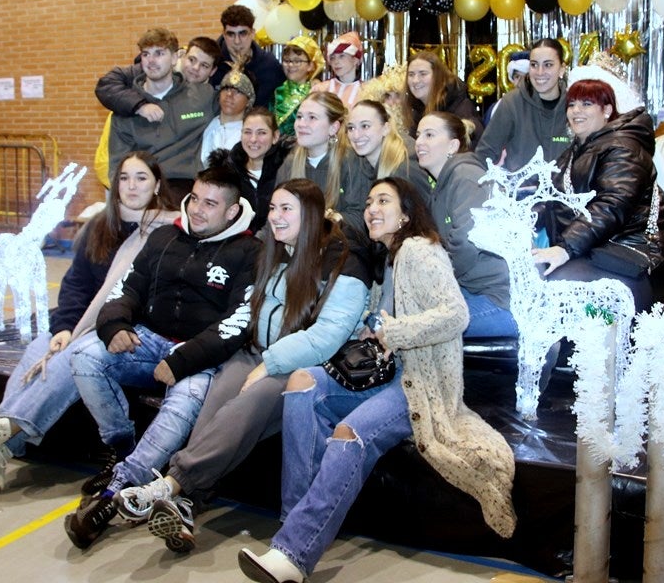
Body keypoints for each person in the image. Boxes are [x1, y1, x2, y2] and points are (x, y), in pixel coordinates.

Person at [237, 177, 517, 583]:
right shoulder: (390, 257)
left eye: (383, 201)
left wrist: (395, 332)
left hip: (418, 383)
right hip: (383, 375)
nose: (371, 209)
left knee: (350, 433)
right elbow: (388, 316)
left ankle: (293, 555)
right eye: (369, 201)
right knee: (302, 383)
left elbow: (456, 315)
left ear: (406, 214)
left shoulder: (420, 250)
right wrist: (373, 327)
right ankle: (293, 526)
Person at [122, 179, 371, 555]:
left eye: (286, 209)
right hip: (255, 353)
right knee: (213, 407)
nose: (276, 217)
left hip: (300, 367)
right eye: (272, 208)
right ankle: (185, 505)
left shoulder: (345, 262)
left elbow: (326, 338)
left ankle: (170, 485)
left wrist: (269, 364)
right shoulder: (275, 250)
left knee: (245, 407)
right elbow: (251, 311)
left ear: (311, 214)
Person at [0, 152, 176, 491]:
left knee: (72, 357)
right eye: (124, 178)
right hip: (85, 322)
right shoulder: (100, 226)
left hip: (127, 327)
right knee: (41, 348)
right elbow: (76, 284)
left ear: (156, 185)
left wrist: (104, 326)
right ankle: (1, 448)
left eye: (141, 178)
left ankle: (1, 431)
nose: (131, 186)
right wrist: (65, 327)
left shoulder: (169, 231)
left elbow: (155, 297)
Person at [62, 165, 262, 547]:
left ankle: (115, 492)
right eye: (195, 198)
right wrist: (115, 326)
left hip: (200, 356)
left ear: (233, 211)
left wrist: (182, 361)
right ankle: (121, 445)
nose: (197, 209)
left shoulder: (251, 252)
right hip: (149, 339)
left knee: (183, 403)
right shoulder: (164, 236)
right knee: (84, 355)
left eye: (210, 204)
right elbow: (126, 288)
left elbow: (237, 324)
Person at [530, 64, 664, 313]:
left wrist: (565, 248)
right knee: (529, 272)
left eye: (587, 104)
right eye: (571, 104)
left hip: (637, 252)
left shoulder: (624, 147)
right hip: (597, 247)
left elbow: (612, 205)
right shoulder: (580, 148)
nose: (576, 111)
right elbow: (547, 192)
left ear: (607, 110)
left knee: (558, 287)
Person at [414, 111, 514, 337]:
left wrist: (439, 278)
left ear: (453, 145)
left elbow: (466, 241)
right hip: (473, 290)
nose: (419, 142)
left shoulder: (466, 176)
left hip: (501, 299)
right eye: (418, 135)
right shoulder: (442, 186)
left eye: (429, 135)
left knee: (417, 332)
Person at [97, 26, 218, 202]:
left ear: (175, 58)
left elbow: (237, 107)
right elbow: (118, 167)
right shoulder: (126, 108)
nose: (151, 60)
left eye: (159, 53)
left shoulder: (203, 96)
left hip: (185, 190)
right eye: (146, 54)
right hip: (143, 191)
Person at [333, 100, 428, 245]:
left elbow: (420, 224)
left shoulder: (404, 170)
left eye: (365, 126)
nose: (356, 135)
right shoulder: (361, 166)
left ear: (386, 128)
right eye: (351, 128)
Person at [476, 38, 569, 171]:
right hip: (520, 184)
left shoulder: (574, 105)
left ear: (562, 69)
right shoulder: (512, 103)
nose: (540, 72)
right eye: (534, 65)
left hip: (566, 185)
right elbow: (484, 154)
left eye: (548, 65)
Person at [206, 108, 289, 233]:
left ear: (275, 136)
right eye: (247, 132)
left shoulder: (288, 169)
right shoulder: (228, 172)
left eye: (261, 133)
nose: (253, 139)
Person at [276, 91, 346, 208]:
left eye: (312, 117)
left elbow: (356, 213)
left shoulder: (350, 163)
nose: (301, 124)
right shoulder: (289, 163)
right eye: (299, 117)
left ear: (333, 128)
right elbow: (277, 210)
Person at [210, 5, 285, 108]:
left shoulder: (270, 66)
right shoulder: (211, 62)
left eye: (243, 34)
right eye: (231, 34)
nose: (237, 41)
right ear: (224, 34)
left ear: (252, 33)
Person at [404, 51, 482, 145]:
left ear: (438, 76)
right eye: (411, 74)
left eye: (423, 74)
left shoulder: (461, 108)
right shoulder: (416, 110)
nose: (415, 80)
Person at [199, 68, 254, 164]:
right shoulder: (205, 123)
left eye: (238, 91)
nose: (229, 94)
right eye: (226, 88)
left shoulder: (249, 135)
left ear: (248, 101)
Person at [272, 35, 323, 137]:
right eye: (287, 60)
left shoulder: (316, 91)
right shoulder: (277, 91)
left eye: (297, 61)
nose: (291, 65)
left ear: (311, 65)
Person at [313, 31, 364, 110]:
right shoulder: (320, 89)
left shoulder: (367, 91)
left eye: (342, 56)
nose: (336, 62)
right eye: (332, 57)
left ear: (355, 60)